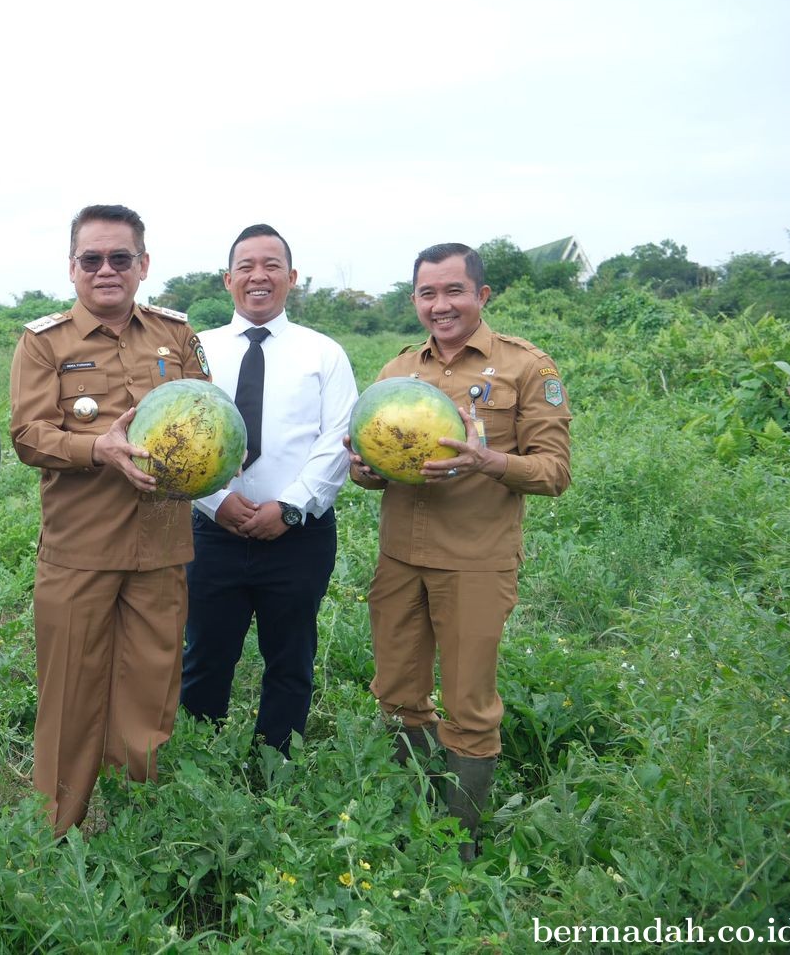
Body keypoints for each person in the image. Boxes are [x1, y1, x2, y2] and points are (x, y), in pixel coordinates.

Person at [346, 242, 571, 860]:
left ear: (482, 295)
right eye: (427, 294)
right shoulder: (396, 372)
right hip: (400, 558)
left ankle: (460, 840)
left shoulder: (527, 369)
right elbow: (373, 471)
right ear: (414, 298)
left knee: (469, 701)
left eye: (453, 292)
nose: (439, 306)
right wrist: (365, 467)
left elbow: (553, 471)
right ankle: (410, 814)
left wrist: (488, 461)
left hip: (476, 561)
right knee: (396, 689)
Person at [9, 203, 210, 836]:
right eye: (91, 258)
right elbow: (28, 435)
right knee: (69, 700)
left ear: (142, 264)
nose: (106, 270)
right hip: (79, 553)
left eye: (119, 258)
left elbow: (208, 417)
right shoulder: (44, 342)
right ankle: (55, 834)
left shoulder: (176, 336)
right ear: (72, 267)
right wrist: (98, 448)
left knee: (149, 700)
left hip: (160, 549)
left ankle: (131, 838)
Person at [182, 225, 357, 755]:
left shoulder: (323, 353)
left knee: (291, 655)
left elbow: (337, 441)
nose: (259, 276)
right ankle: (201, 758)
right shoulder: (198, 352)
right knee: (206, 653)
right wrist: (216, 502)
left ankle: (276, 763)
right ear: (228, 279)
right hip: (213, 534)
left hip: (299, 535)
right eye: (247, 266)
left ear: (292, 278)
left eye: (272, 265)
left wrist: (290, 507)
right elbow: (176, 439)